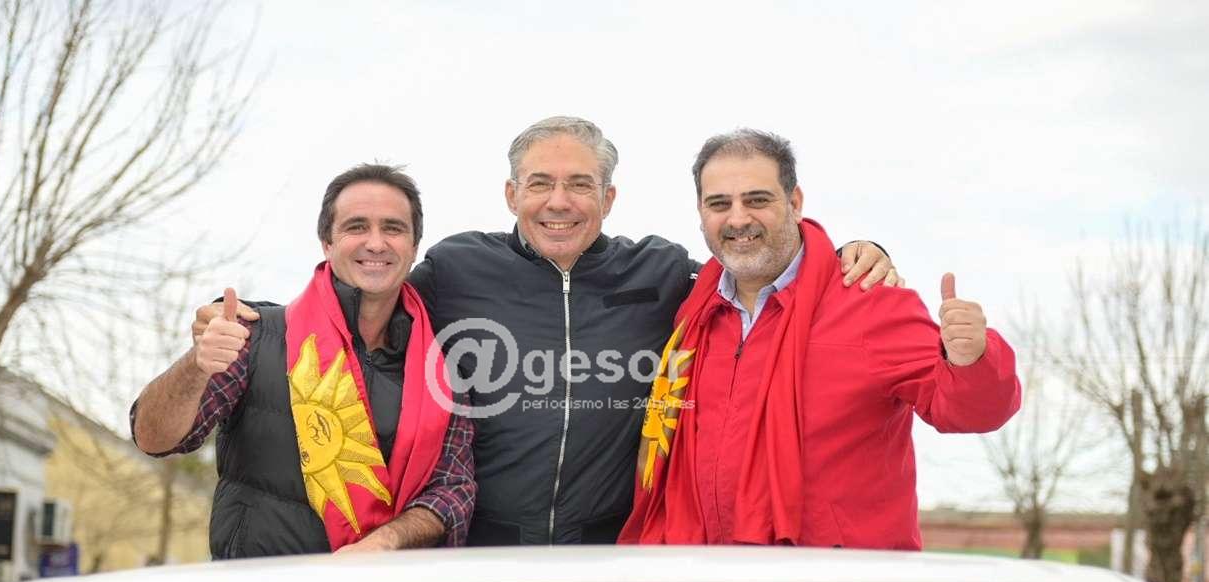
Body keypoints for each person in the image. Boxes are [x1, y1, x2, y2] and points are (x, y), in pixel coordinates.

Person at [203, 116, 898, 546]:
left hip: (607, 554)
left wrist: (848, 252)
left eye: (580, 184)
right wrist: (244, 319)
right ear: (512, 194)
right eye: (539, 183)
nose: (558, 202)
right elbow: (363, 291)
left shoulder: (661, 273)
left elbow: (753, 273)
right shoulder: (457, 268)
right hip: (480, 553)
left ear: (609, 197)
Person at [618, 129, 1021, 548]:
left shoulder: (870, 300)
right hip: (703, 574)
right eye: (719, 204)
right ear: (701, 213)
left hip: (834, 580)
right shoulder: (691, 313)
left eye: (757, 200)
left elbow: (972, 413)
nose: (737, 219)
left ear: (794, 203)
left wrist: (972, 358)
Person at [132, 164, 475, 557]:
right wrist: (196, 365)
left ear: (413, 247)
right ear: (327, 243)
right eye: (357, 226)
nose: (376, 243)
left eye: (393, 228)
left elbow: (452, 490)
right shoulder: (253, 335)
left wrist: (386, 541)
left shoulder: (444, 373)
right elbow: (153, 439)